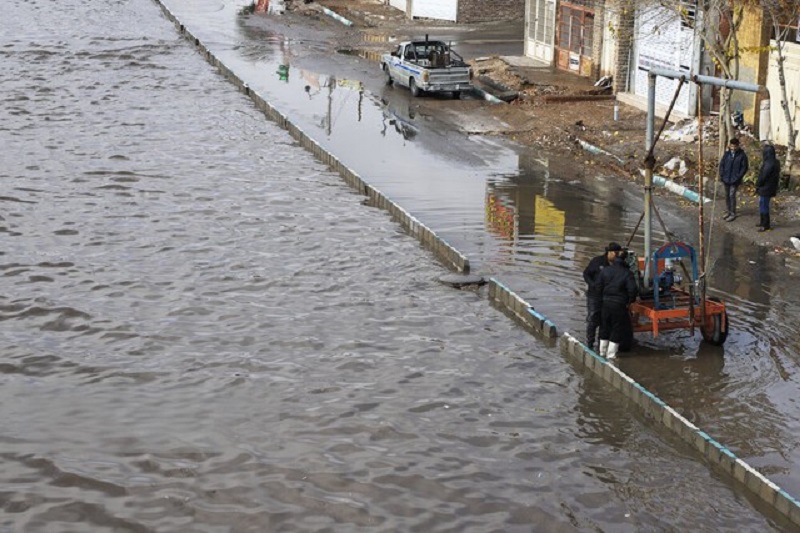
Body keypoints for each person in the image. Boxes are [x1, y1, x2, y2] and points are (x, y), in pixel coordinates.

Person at [597, 249, 638, 360]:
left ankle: (601, 353)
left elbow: (598, 286)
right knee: (617, 328)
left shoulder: (605, 270)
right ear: (625, 259)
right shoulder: (627, 273)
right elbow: (633, 289)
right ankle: (611, 356)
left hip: (605, 303)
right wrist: (630, 301)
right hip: (619, 305)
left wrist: (601, 299)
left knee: (604, 327)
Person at [582, 242, 622, 351]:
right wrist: (592, 284)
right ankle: (590, 343)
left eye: (618, 253)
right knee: (593, 318)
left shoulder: (618, 265)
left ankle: (601, 344)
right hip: (594, 296)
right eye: (615, 253)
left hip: (608, 297)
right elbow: (586, 273)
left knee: (605, 320)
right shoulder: (597, 261)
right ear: (609, 252)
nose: (617, 255)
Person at [718, 137, 749, 222]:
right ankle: (728, 210)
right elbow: (722, 165)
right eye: (732, 146)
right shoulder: (727, 154)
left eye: (735, 146)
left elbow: (744, 168)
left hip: (735, 180)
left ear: (738, 146)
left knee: (732, 195)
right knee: (727, 195)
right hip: (726, 178)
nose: (733, 148)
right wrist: (722, 175)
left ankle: (732, 213)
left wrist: (738, 177)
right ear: (730, 145)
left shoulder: (742, 155)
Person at [755, 143, 780, 232]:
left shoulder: (769, 163)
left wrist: (758, 184)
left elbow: (763, 176)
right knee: (763, 204)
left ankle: (765, 224)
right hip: (770, 187)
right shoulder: (775, 162)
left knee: (764, 205)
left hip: (766, 187)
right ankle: (763, 222)